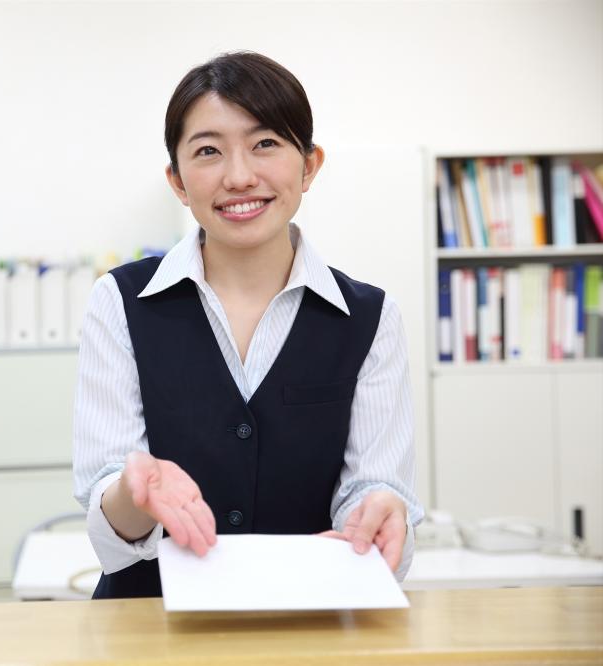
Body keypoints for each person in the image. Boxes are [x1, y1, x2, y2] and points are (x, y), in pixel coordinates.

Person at [73, 51, 423, 600]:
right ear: (178, 181)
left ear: (309, 166)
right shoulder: (120, 302)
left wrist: (378, 511)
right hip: (147, 628)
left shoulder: (371, 318)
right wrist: (133, 495)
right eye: (208, 151)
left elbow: (371, 487)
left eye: (265, 144)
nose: (239, 177)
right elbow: (112, 535)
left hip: (308, 623)